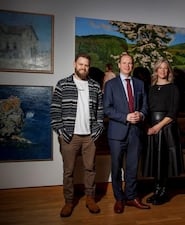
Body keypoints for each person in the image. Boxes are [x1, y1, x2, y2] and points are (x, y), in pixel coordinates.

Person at [50, 53, 104, 217]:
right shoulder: (63, 84)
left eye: (86, 65)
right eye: (81, 64)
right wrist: (60, 131)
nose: (83, 67)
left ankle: (90, 198)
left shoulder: (95, 86)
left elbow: (100, 111)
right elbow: (54, 110)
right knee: (69, 171)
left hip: (90, 137)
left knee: (90, 169)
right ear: (75, 64)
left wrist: (98, 129)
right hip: (69, 136)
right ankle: (68, 202)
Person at [103, 53, 150, 214]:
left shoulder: (139, 84)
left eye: (130, 63)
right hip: (117, 133)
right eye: (124, 63)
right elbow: (107, 109)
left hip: (135, 133)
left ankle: (131, 196)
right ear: (119, 64)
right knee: (116, 168)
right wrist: (125, 117)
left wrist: (141, 115)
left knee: (132, 167)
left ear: (133, 65)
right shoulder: (110, 85)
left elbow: (145, 106)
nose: (127, 66)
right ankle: (119, 198)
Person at [143, 59, 185, 205]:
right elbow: (147, 110)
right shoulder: (151, 89)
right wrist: (148, 126)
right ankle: (156, 190)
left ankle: (163, 192)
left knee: (163, 161)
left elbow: (173, 112)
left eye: (165, 68)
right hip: (152, 127)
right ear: (156, 70)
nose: (162, 71)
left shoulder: (173, 88)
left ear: (169, 71)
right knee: (155, 160)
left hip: (166, 127)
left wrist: (158, 126)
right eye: (160, 68)